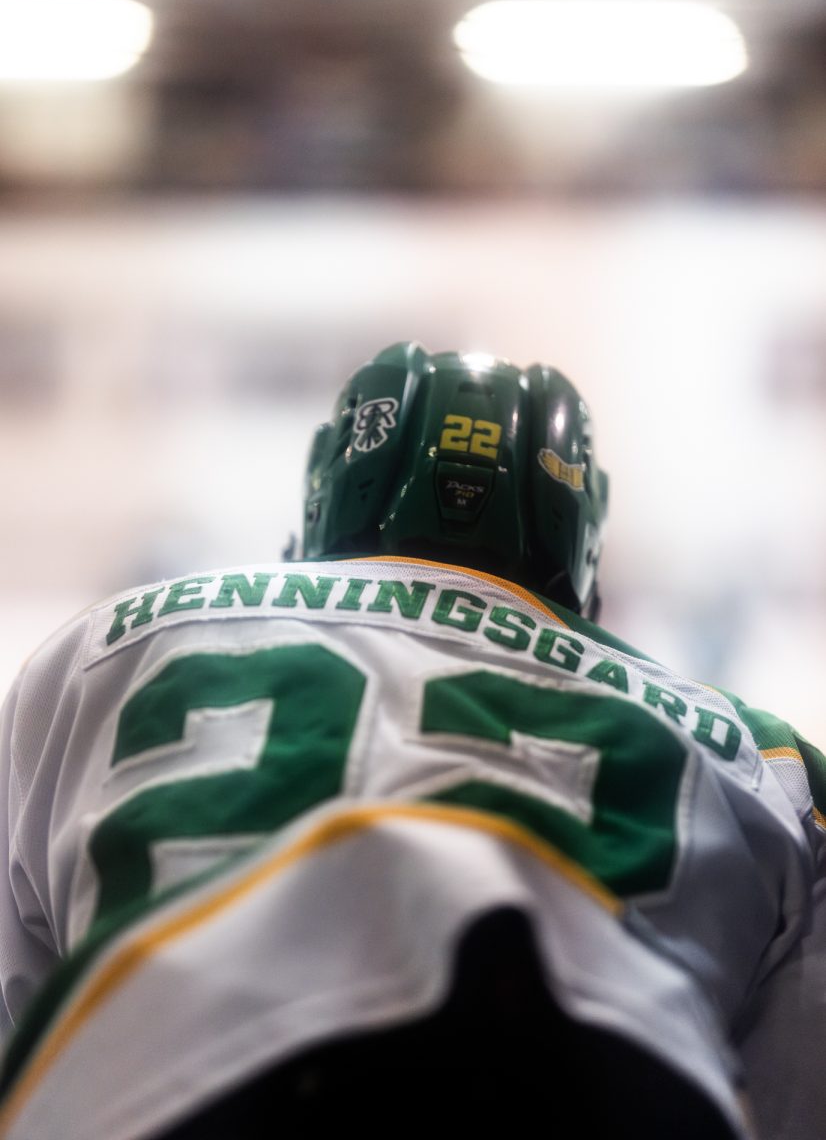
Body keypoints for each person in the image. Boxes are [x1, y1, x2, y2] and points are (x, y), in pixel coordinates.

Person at [0, 342, 823, 1139]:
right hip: (584, 1074)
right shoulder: (765, 759)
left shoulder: (100, 646)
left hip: (168, 1075)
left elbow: (24, 1006)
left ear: (335, 482)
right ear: (580, 526)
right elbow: (799, 1087)